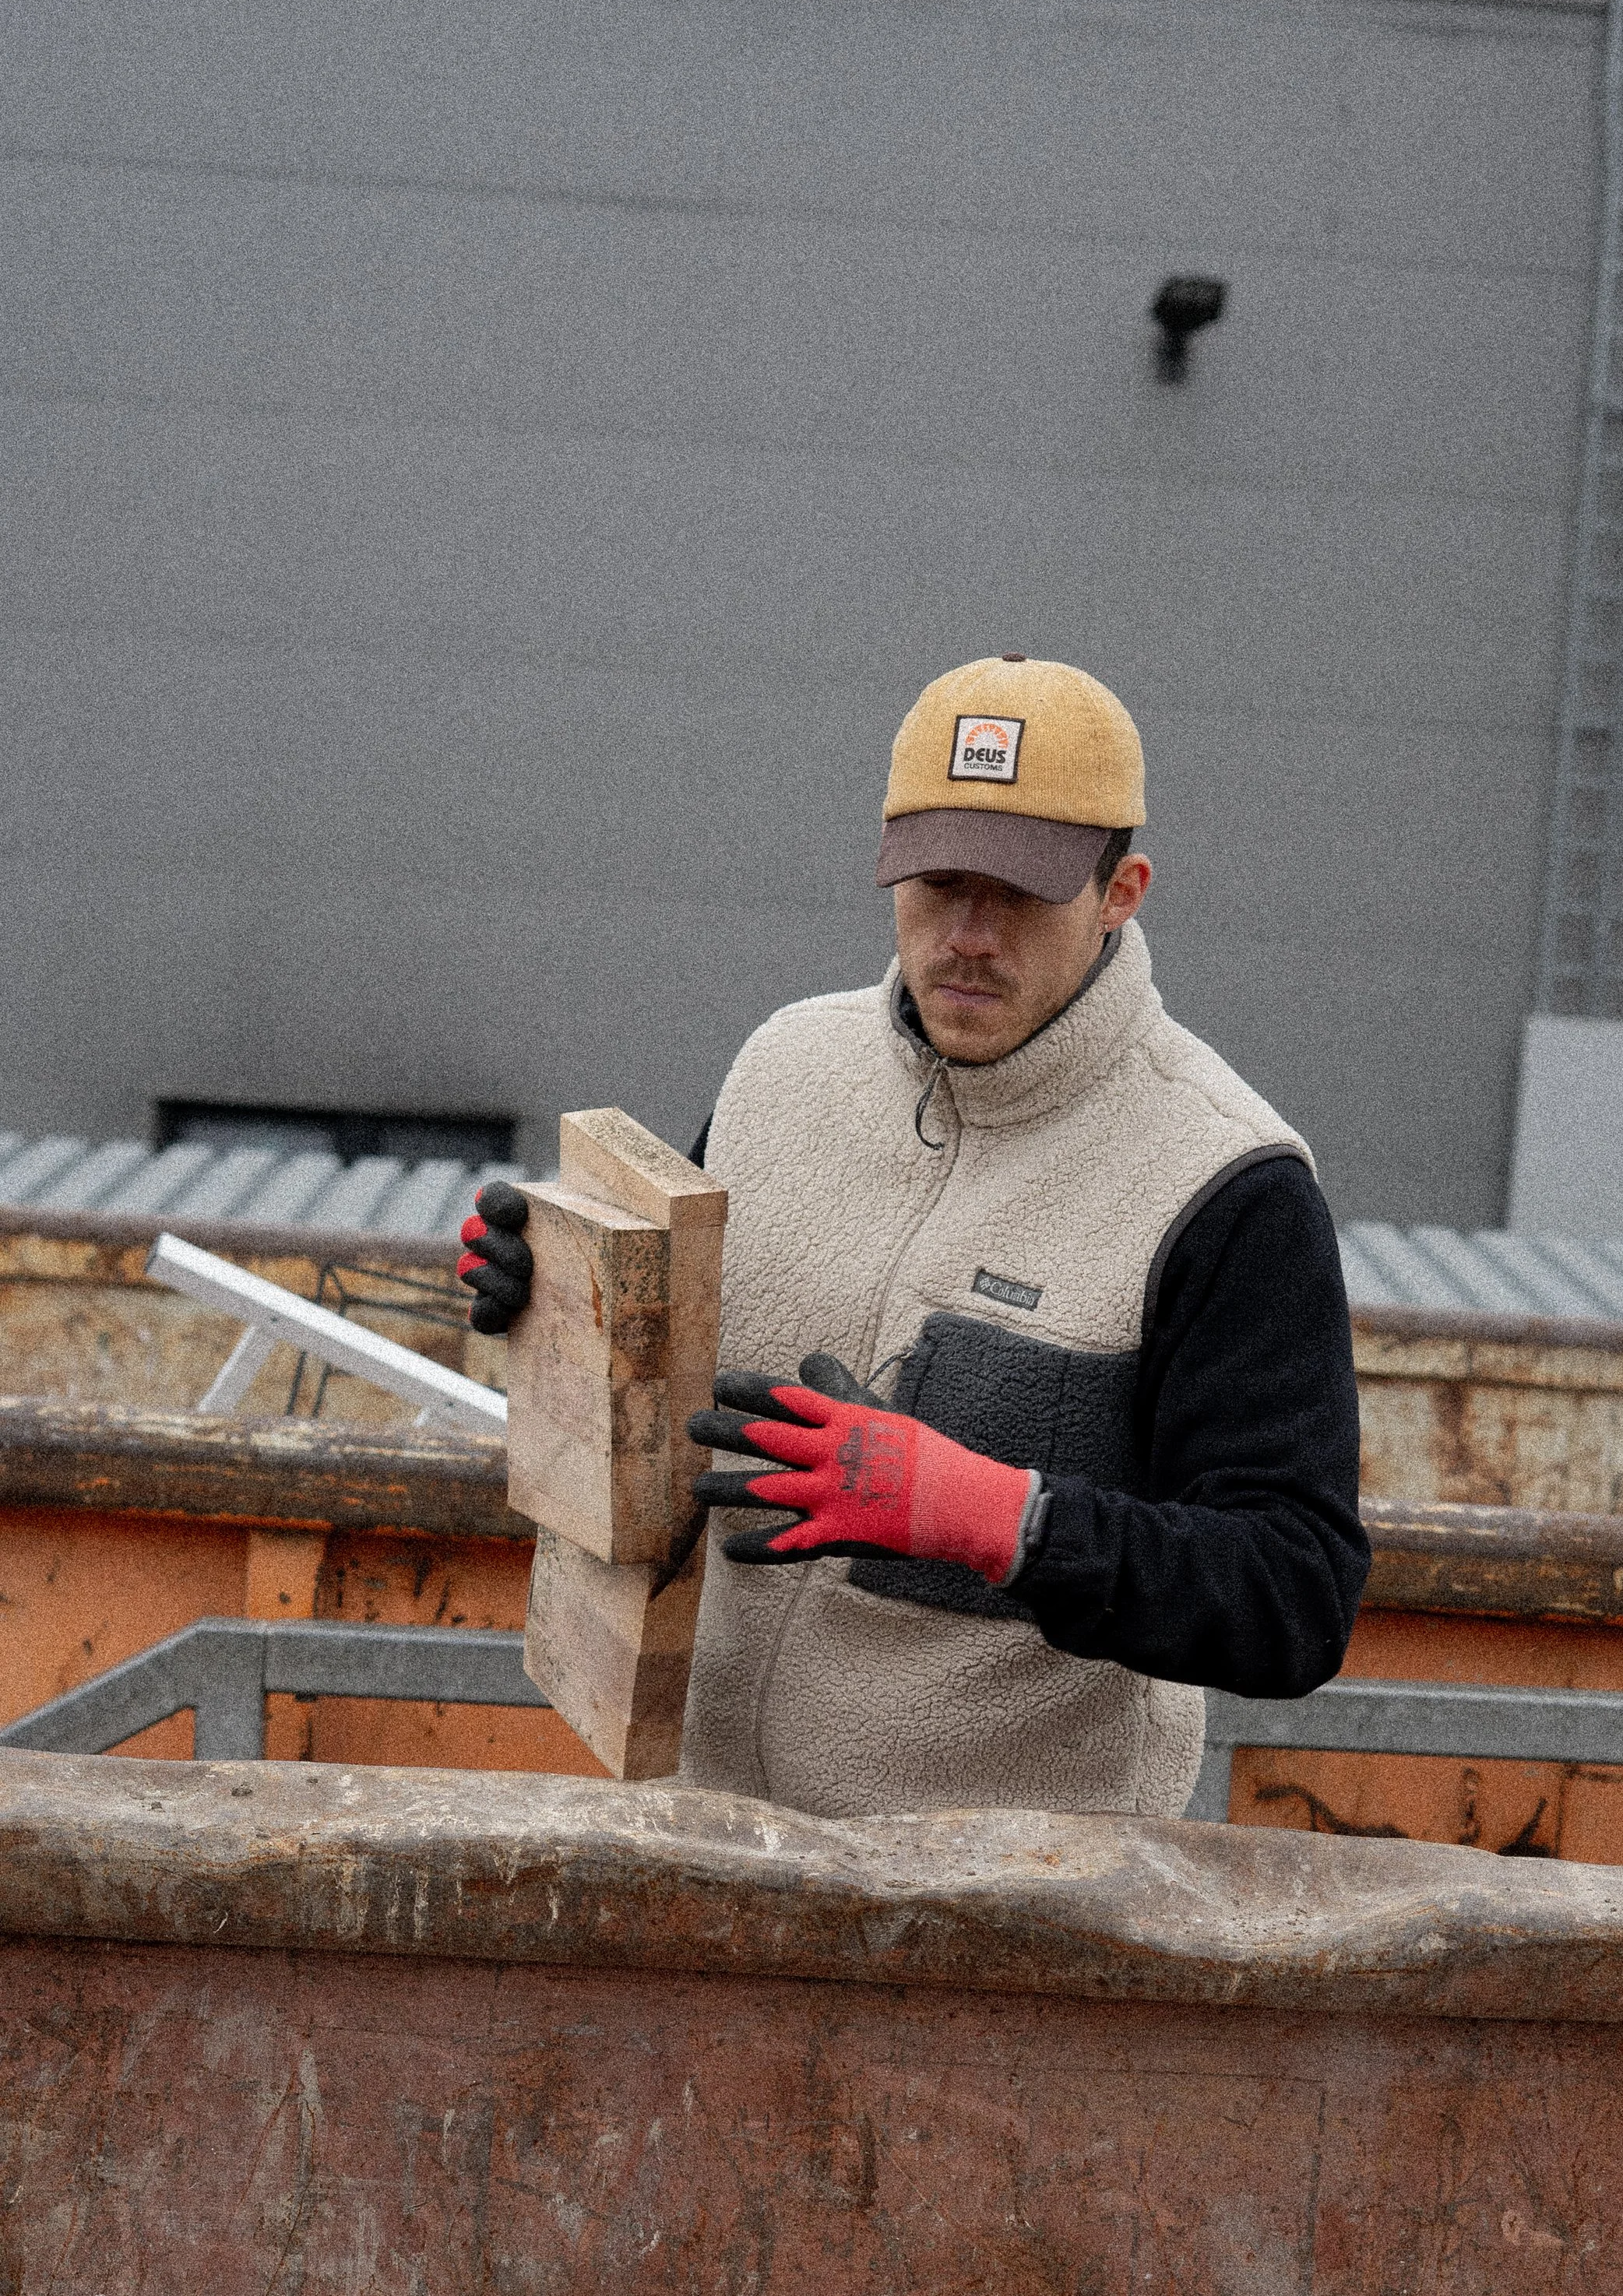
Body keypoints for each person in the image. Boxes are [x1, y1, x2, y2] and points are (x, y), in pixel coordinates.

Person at [460, 653, 1368, 1820]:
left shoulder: (1227, 1184)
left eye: (1021, 890)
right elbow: (668, 1389)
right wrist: (552, 1299)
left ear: (1122, 888)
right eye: (938, 882)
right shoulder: (779, 1071)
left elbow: (1294, 1599)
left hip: (1009, 1912)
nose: (969, 935)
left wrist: (990, 1516)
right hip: (708, 1831)